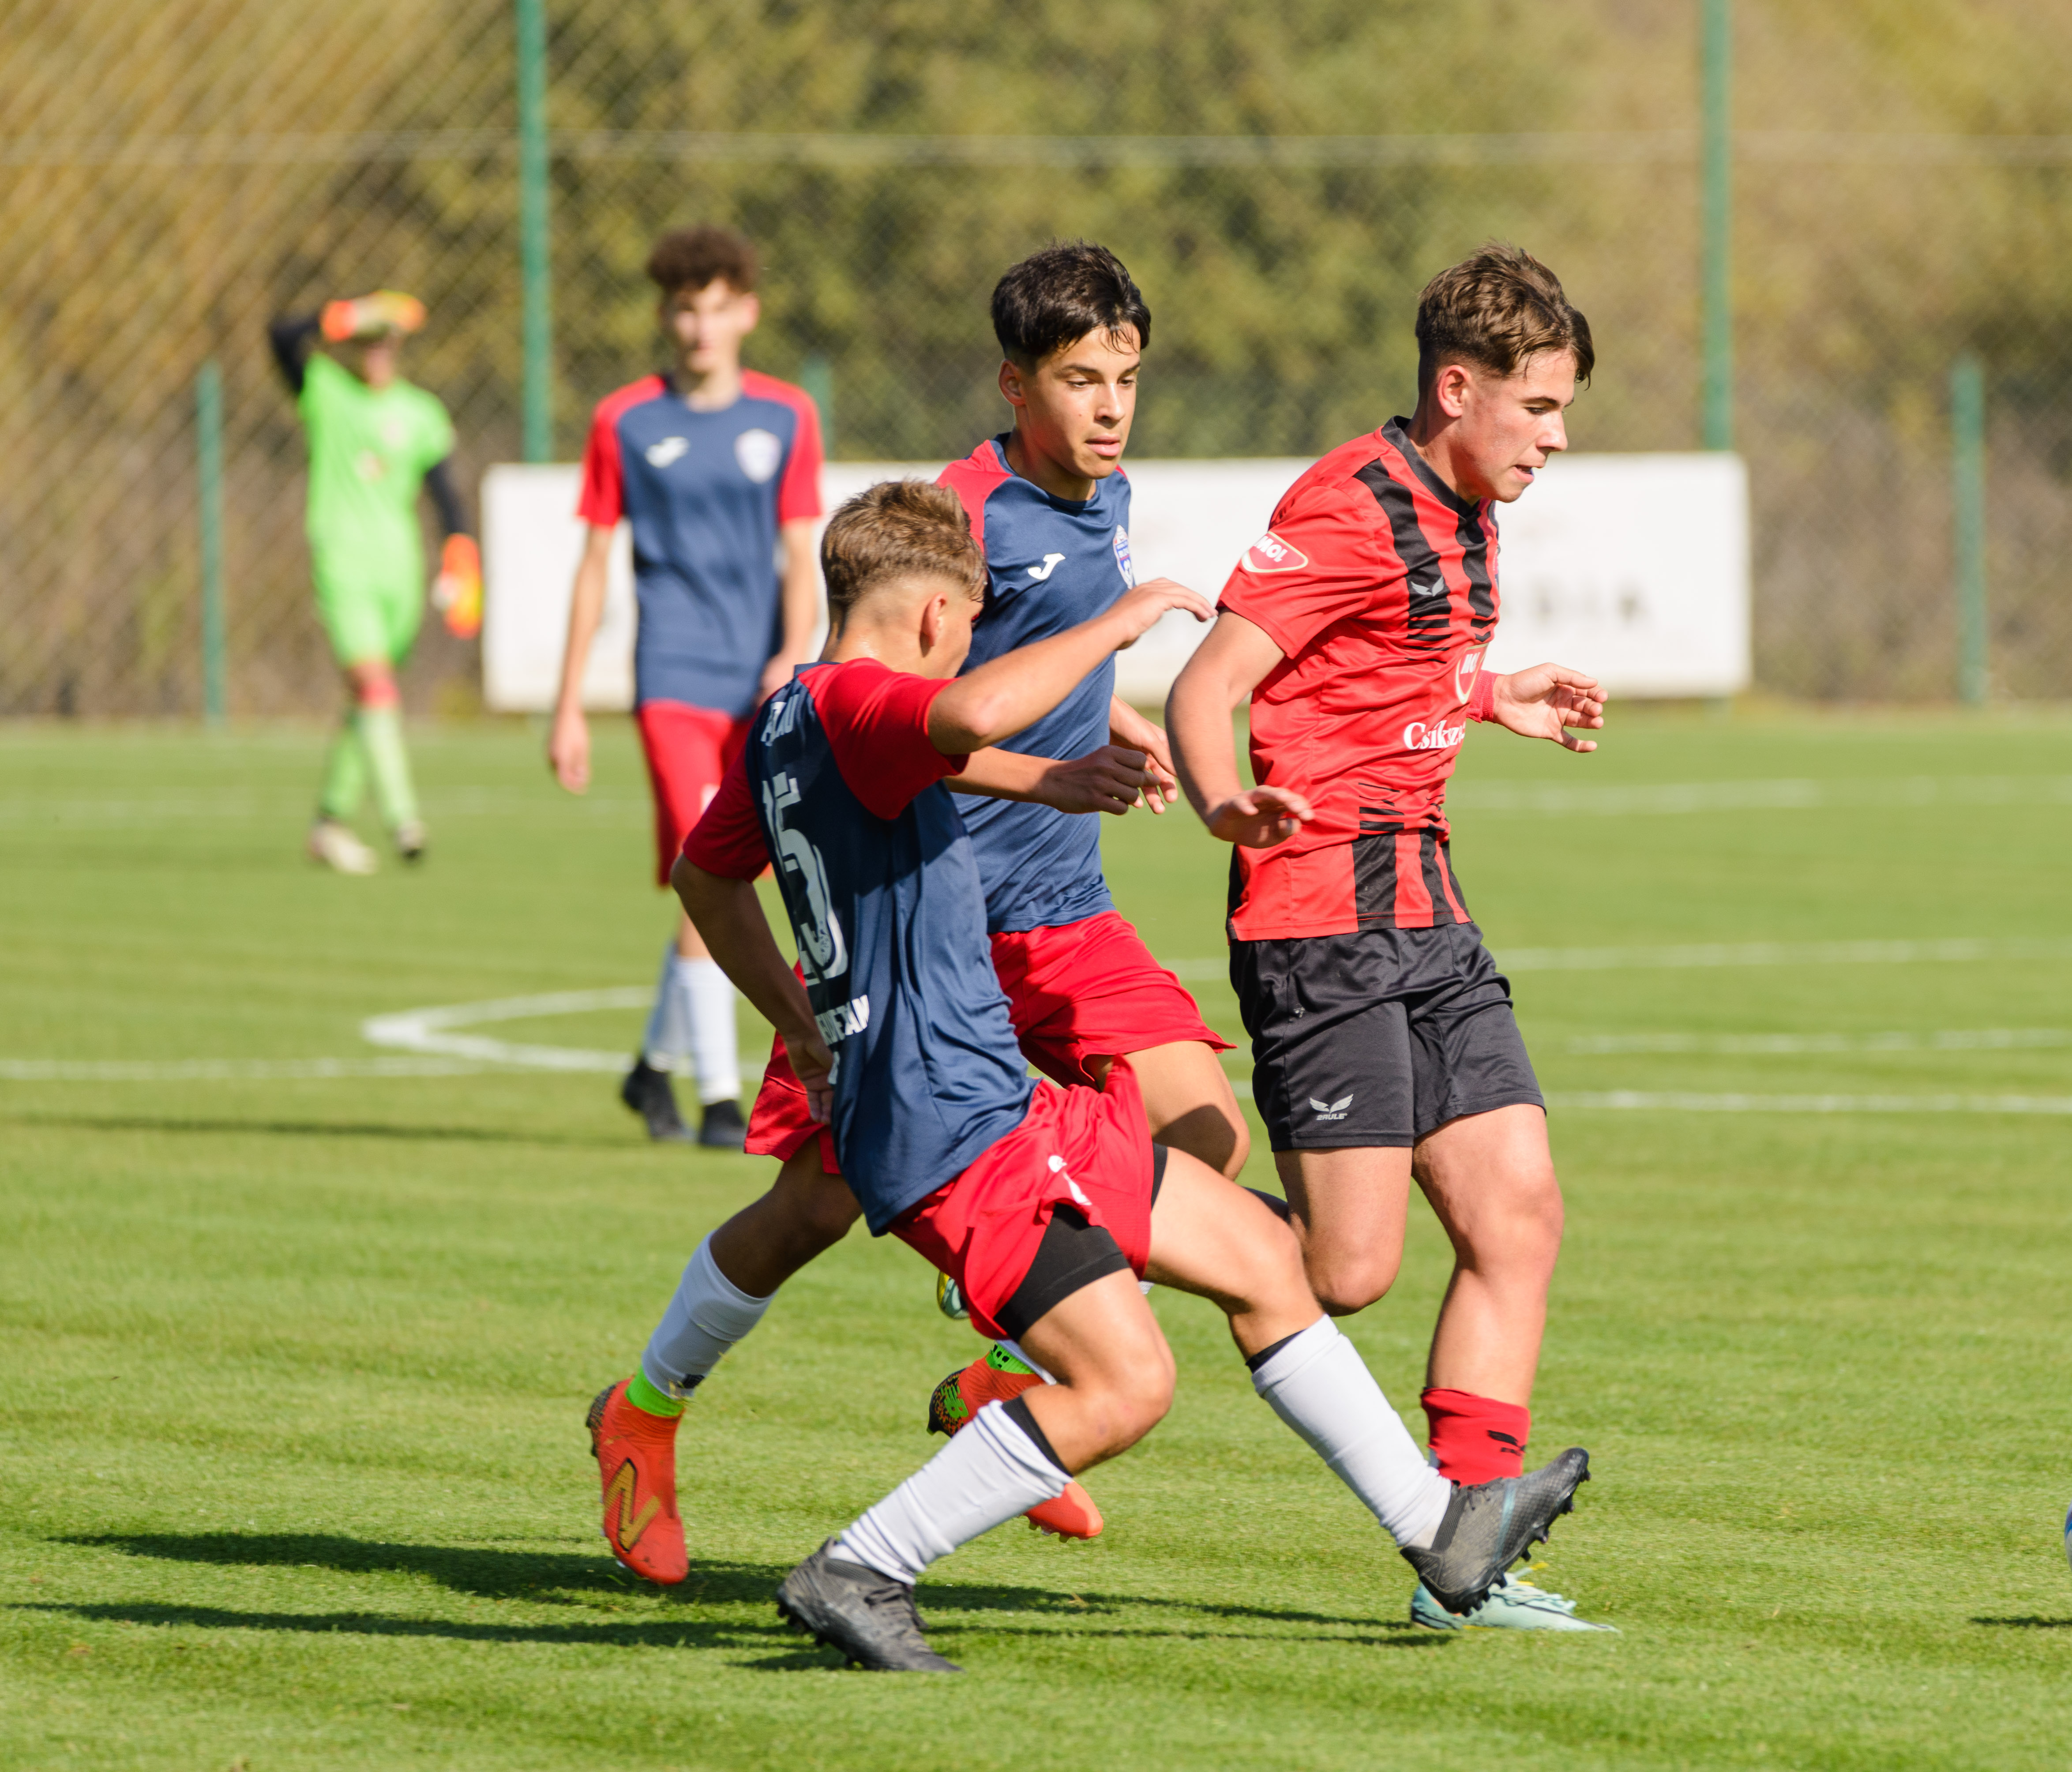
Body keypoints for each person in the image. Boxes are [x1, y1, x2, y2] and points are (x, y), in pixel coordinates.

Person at [583, 481, 1588, 1671]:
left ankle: (1445, 1536)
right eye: (969, 622)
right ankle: (862, 1568)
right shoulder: (868, 696)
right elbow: (960, 713)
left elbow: (712, 881)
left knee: (1267, 1259)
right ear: (929, 619)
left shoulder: (788, 718)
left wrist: (801, 1020)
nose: (967, 644)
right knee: (1125, 1385)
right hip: (956, 1130)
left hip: (995, 1105)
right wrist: (1119, 625)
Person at [1164, 245, 1612, 1631]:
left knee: (1518, 1212)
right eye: (1536, 408)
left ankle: (1467, 1568)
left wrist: (1495, 696)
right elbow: (1209, 681)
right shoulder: (1348, 505)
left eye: (1565, 413)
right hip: (1318, 922)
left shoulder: (1471, 505)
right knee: (1346, 1271)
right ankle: (1062, 1221)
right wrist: (1224, 798)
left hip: (1430, 905)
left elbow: (1386, 670)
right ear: (1456, 387)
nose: (1554, 438)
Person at [920, 243, 1261, 1520]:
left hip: (1068, 918)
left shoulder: (1105, 499)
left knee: (1212, 1152)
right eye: (1080, 380)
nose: (1112, 407)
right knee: (806, 1209)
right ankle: (654, 1399)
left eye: (1126, 377)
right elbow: (908, 724)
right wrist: (1053, 772)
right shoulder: (956, 519)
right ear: (1016, 384)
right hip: (948, 930)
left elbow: (1048, 665)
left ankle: (1008, 1367)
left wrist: (1122, 728)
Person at [547, 225, 826, 1149]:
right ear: (665, 316)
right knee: (717, 868)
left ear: (744, 312)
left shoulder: (786, 416)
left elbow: (799, 550)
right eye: (683, 309)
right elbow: (593, 564)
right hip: (669, 677)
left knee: (714, 877)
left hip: (758, 684)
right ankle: (715, 1100)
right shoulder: (624, 420)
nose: (700, 328)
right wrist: (566, 704)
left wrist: (794, 651)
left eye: (716, 308)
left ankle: (649, 1067)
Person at [268, 289, 480, 875]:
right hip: (343, 562)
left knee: (369, 701)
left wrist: (462, 553)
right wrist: (338, 316)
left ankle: (328, 825)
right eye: (367, 341)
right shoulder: (329, 396)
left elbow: (445, 495)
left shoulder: (421, 414)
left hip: (400, 571)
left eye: (386, 340)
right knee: (375, 688)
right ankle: (404, 820)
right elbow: (280, 337)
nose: (377, 351)